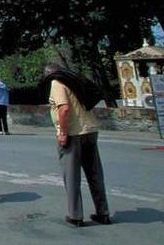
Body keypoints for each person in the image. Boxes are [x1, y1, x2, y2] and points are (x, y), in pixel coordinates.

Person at [43, 63, 111, 227]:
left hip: (73, 133)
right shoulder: (74, 82)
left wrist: (62, 132)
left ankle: (76, 215)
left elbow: (64, 109)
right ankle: (103, 212)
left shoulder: (57, 83)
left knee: (71, 176)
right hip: (90, 129)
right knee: (95, 174)